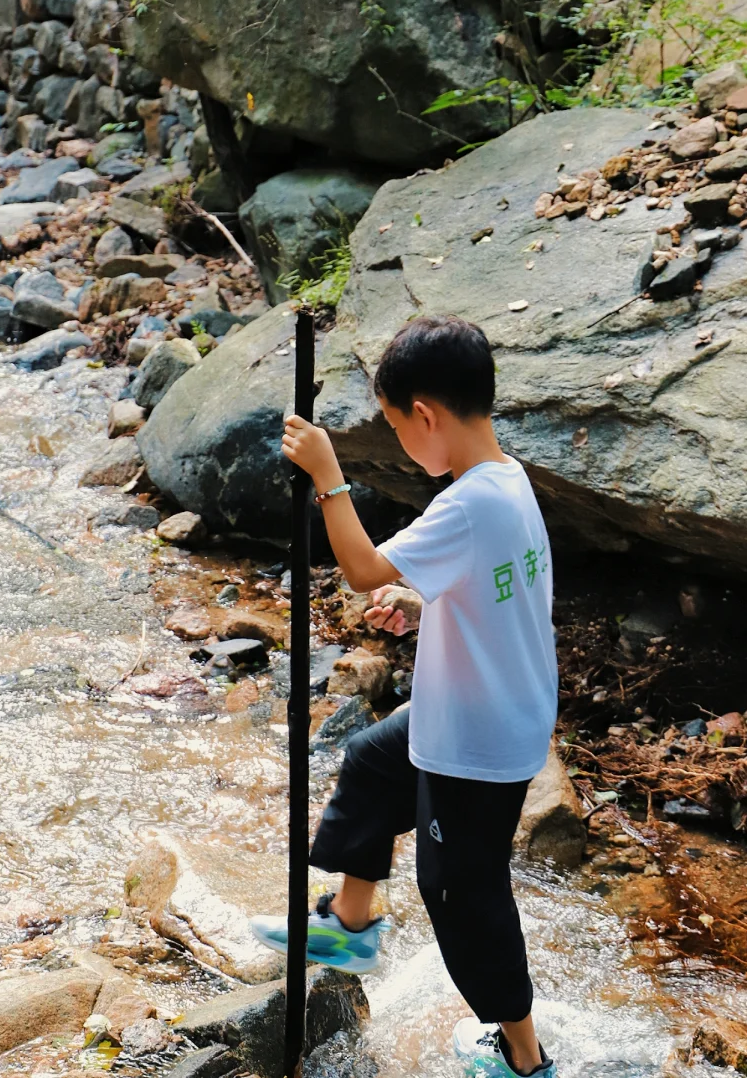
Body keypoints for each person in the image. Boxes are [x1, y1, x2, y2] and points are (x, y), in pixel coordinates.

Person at [250, 315, 559, 1078]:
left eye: (395, 428)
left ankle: (524, 1057)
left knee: (462, 894)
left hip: (478, 742)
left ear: (425, 415)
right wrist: (429, 602)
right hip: (489, 704)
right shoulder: (506, 481)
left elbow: (360, 567)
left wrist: (330, 476)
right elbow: (499, 589)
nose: (399, 444)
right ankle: (352, 924)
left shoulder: (467, 504)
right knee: (373, 760)